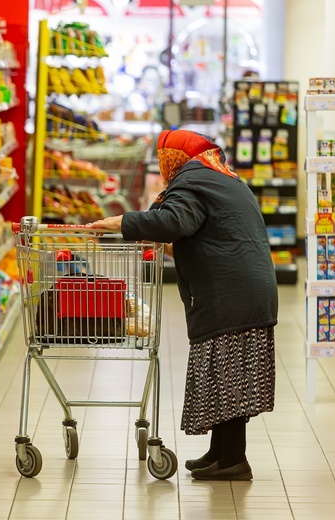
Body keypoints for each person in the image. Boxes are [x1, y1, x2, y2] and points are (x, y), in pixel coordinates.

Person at [90, 129, 278, 481]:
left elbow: (175, 220)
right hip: (244, 290)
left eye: (164, 159)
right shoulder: (218, 176)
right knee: (226, 377)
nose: (163, 167)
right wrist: (148, 234)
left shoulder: (191, 181)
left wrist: (121, 222)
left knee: (229, 378)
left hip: (232, 295)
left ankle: (234, 460)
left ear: (172, 159)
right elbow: (204, 237)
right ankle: (221, 454)